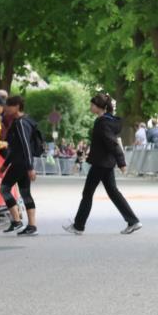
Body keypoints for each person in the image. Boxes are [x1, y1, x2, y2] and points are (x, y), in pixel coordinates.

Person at [64, 93, 141, 235]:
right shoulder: (108, 121)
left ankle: (78, 226)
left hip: (101, 163)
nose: (90, 107)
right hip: (106, 163)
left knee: (87, 193)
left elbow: (112, 143)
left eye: (92, 105)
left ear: (100, 107)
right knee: (113, 192)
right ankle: (133, 221)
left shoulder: (102, 122)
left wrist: (121, 162)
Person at [0, 96, 40, 236]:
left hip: (21, 163)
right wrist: (5, 164)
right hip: (21, 162)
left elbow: (25, 146)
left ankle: (17, 221)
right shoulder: (23, 121)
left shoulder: (21, 123)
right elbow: (16, 147)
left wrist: (30, 167)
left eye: (9, 105)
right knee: (25, 193)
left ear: (16, 106)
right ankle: (32, 225)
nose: (6, 108)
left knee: (4, 189)